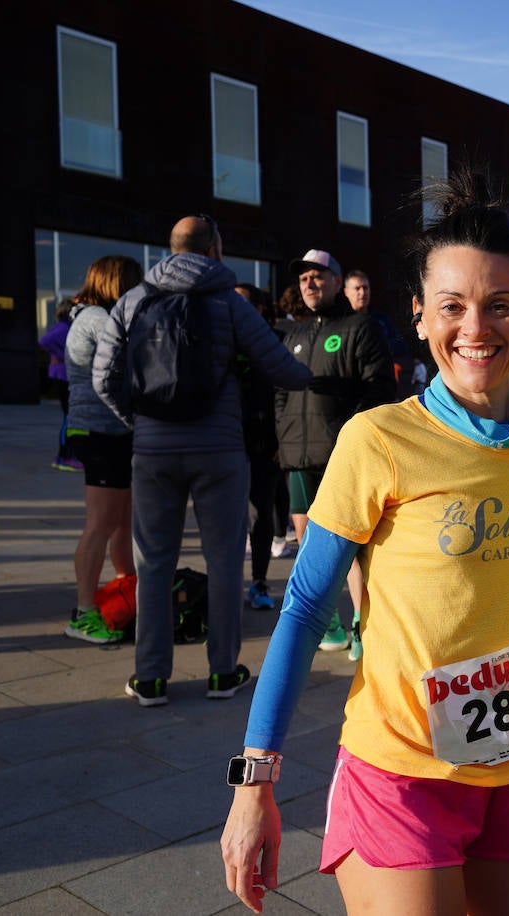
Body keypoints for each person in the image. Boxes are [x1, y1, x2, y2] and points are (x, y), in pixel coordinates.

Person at [220, 176, 509, 915]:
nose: (475, 327)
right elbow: (306, 606)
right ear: (419, 318)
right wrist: (254, 781)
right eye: (451, 306)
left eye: (499, 305)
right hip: (402, 775)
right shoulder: (378, 438)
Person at [93, 215, 312, 706]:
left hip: (152, 452)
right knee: (225, 558)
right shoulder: (228, 303)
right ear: (214, 247)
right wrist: (316, 378)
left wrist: (141, 422)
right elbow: (280, 366)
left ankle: (150, 678)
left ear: (170, 248)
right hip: (219, 451)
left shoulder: (135, 300)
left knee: (153, 563)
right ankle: (222, 673)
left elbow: (102, 377)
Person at [275, 249, 396, 654]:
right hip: (298, 454)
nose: (310, 283)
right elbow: (281, 392)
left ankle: (363, 624)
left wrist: (352, 436)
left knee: (353, 545)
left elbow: (380, 387)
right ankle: (328, 625)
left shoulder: (359, 328)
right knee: (307, 540)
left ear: (336, 282)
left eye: (318, 276)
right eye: (304, 278)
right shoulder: (294, 334)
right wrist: (283, 435)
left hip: (340, 455)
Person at [61, 255, 143, 644]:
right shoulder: (95, 319)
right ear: (118, 283)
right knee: (101, 521)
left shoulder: (95, 315)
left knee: (122, 519)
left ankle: (126, 587)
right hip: (101, 431)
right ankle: (84, 612)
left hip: (111, 430)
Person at [235, 283, 286, 612]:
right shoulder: (219, 339)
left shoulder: (274, 341)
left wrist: (282, 438)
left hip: (263, 441)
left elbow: (287, 392)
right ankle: (226, 585)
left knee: (261, 514)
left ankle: (259, 581)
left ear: (259, 310)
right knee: (228, 519)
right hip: (224, 442)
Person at [344, 268, 410, 384]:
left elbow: (401, 346)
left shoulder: (380, 319)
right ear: (346, 292)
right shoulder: (341, 322)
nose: (362, 293)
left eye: (365, 288)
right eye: (357, 288)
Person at [40, 298, 79, 472]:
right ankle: (65, 457)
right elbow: (44, 341)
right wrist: (60, 355)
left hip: (63, 375)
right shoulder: (64, 327)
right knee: (69, 417)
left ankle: (64, 456)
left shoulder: (62, 326)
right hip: (64, 376)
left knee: (68, 416)